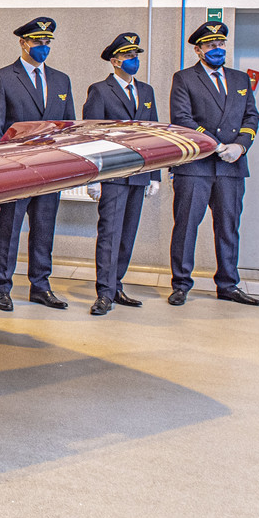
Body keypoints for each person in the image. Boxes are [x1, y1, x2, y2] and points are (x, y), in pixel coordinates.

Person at [0, 16, 75, 311]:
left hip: (51, 170)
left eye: (47, 42)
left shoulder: (60, 80)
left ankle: (41, 286)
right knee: (8, 231)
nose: (43, 47)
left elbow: (68, 127)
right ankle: (2, 287)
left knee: (44, 230)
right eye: (38, 41)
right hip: (16, 171)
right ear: (23, 43)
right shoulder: (3, 78)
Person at [168, 21, 259, 307]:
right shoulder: (184, 78)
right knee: (186, 227)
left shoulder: (240, 79)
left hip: (231, 166)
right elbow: (182, 119)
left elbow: (251, 116)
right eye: (211, 45)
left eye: (221, 44)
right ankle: (181, 284)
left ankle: (228, 284)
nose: (217, 49)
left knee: (228, 227)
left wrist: (240, 146)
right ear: (198, 50)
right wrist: (218, 145)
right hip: (195, 166)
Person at [81, 32, 161, 315]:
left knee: (127, 234)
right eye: (128, 56)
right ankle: (104, 293)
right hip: (113, 174)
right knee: (110, 234)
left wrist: (154, 175)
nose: (133, 60)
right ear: (115, 61)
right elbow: (91, 135)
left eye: (135, 55)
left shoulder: (146, 91)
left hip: (139, 172)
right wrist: (94, 178)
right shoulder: (100, 91)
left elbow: (153, 134)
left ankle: (116, 286)